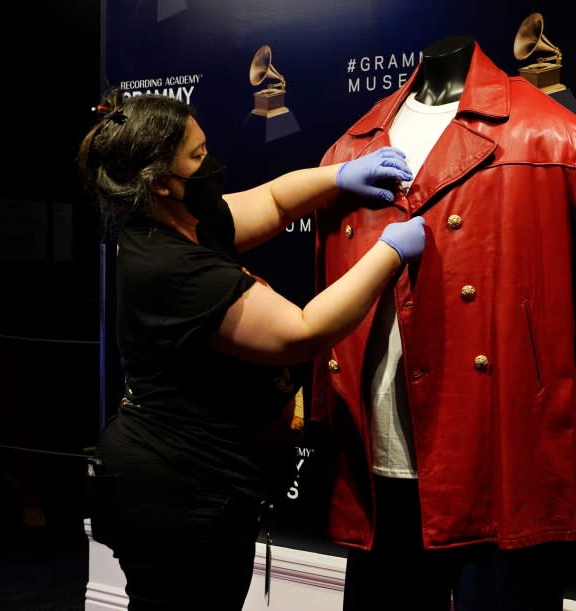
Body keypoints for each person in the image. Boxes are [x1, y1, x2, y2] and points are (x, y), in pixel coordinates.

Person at [312, 36, 576, 611]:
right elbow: (329, 294)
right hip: (381, 448)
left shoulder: (554, 133)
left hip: (504, 447)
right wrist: (322, 411)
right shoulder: (352, 145)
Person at [77, 90, 425, 611]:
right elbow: (301, 331)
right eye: (196, 157)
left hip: (188, 481)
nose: (211, 165)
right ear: (160, 183)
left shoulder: (171, 219)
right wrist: (389, 252)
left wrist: (338, 177)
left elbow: (274, 202)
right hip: (179, 494)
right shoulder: (168, 264)